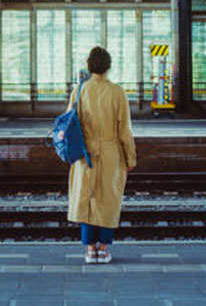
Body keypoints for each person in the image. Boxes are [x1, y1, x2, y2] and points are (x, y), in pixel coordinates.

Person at [66, 46, 136, 264]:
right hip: (110, 152)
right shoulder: (118, 92)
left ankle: (89, 250)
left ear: (89, 66)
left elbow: (70, 122)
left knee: (87, 199)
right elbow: (124, 129)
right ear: (109, 66)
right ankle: (104, 248)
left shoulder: (80, 90)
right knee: (108, 200)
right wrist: (130, 158)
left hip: (84, 153)